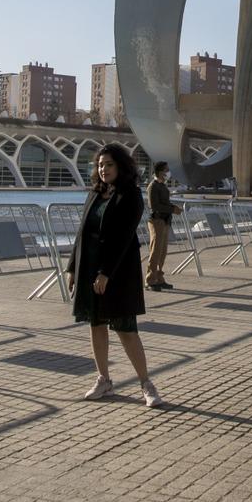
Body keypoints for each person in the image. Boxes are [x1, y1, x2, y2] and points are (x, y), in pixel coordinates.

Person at [67, 143, 160, 407]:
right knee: (96, 324)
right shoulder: (96, 193)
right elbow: (82, 232)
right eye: (99, 165)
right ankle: (104, 380)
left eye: (108, 164)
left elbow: (123, 238)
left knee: (125, 329)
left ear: (120, 165)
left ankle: (146, 383)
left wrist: (106, 272)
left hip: (117, 271)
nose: (103, 169)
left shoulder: (130, 195)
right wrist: (73, 267)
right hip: (89, 267)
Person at [145, 160, 174, 292]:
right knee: (155, 250)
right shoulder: (153, 186)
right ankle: (150, 280)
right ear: (160, 172)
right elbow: (154, 205)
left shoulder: (163, 186)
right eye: (166, 170)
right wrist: (173, 209)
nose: (168, 172)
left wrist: (171, 210)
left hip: (165, 221)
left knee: (162, 251)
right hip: (156, 221)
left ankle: (159, 278)